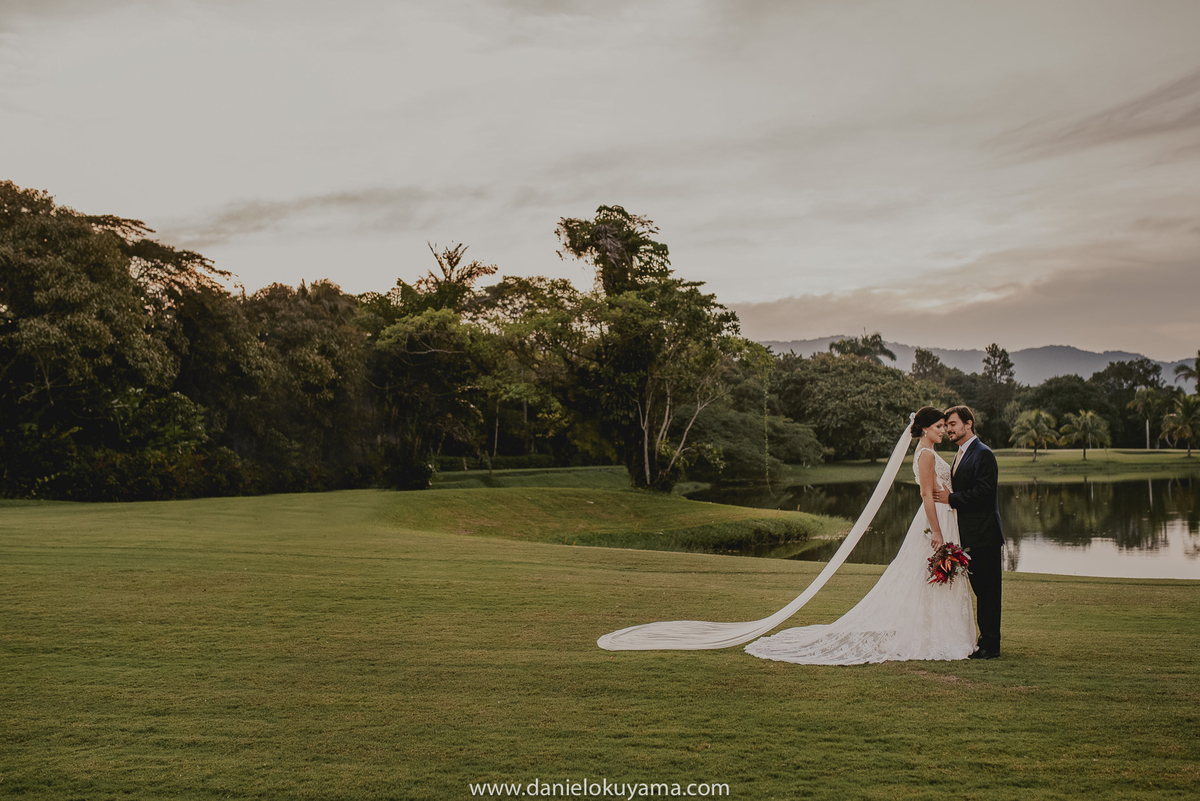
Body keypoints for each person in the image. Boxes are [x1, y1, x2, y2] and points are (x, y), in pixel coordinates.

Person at [742, 406, 976, 665]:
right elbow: (925, 495)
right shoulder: (926, 455)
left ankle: (938, 633)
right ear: (924, 429)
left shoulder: (928, 452)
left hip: (945, 514)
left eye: (945, 426)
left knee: (930, 576)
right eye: (939, 427)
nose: (944, 430)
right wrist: (937, 531)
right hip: (937, 519)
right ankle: (937, 636)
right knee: (931, 574)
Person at [932, 405, 1004, 659]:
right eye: (946, 425)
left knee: (988, 592)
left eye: (952, 424)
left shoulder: (983, 454)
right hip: (969, 536)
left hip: (985, 535)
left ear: (968, 424)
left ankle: (990, 646)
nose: (948, 429)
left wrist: (951, 498)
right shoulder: (961, 454)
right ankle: (983, 641)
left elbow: (984, 493)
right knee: (980, 590)